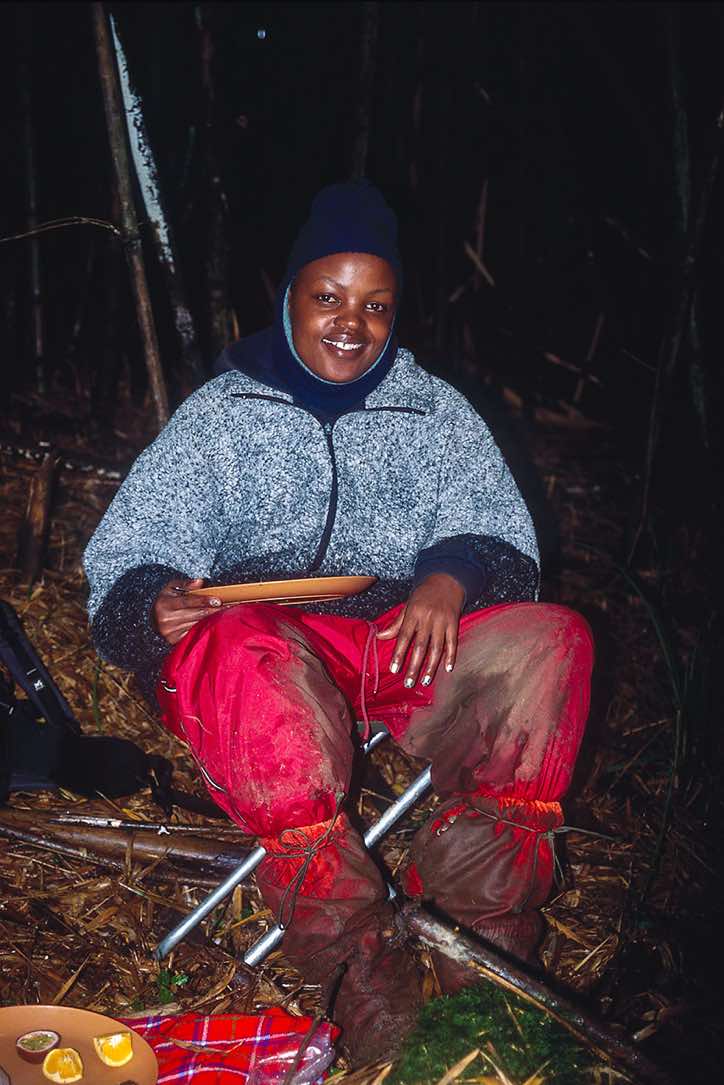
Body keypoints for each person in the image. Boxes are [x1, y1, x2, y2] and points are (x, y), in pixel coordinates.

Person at [84, 182, 593, 1066]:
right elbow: (130, 549)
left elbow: (504, 536)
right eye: (328, 295)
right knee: (236, 646)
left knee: (554, 642)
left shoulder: (435, 412)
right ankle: (363, 975)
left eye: (375, 303)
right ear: (290, 296)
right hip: (267, 655)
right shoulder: (222, 417)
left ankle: (485, 954)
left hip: (403, 642)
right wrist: (152, 599)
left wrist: (451, 574)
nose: (351, 322)